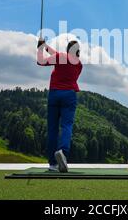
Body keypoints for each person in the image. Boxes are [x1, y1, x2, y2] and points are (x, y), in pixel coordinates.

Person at [37, 38, 82, 172]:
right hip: (69, 95)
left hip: (54, 95)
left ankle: (52, 163)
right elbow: (61, 57)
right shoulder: (79, 64)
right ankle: (63, 152)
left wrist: (40, 49)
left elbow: (41, 61)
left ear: (67, 48)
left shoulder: (60, 57)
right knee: (67, 125)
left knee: (52, 129)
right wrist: (46, 46)